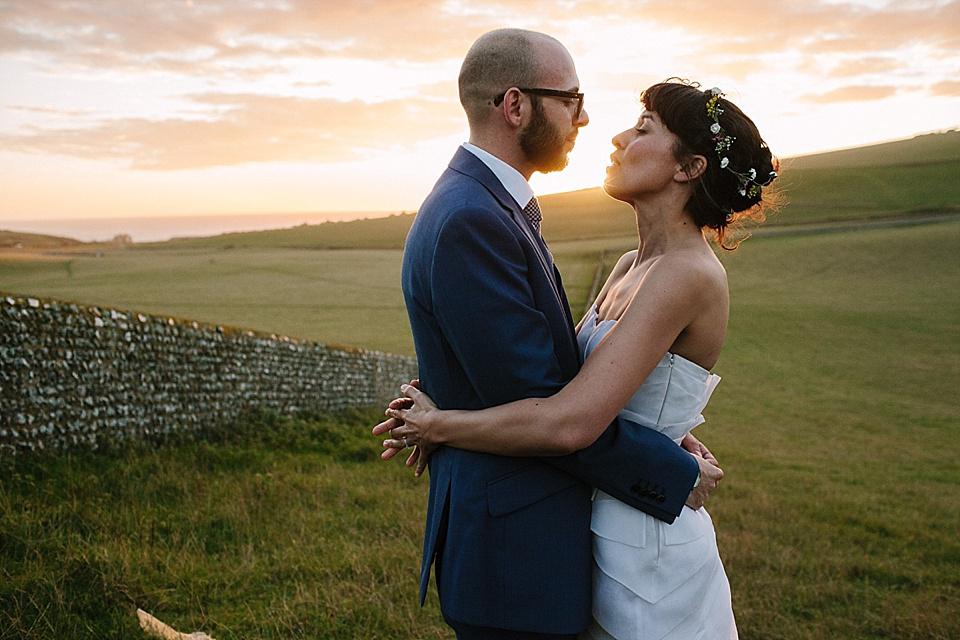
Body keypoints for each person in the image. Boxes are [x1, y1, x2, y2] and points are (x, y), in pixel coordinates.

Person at [378, 79, 778, 639]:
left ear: (689, 167)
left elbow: (571, 420)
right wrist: (447, 388)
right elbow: (559, 378)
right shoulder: (627, 265)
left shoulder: (686, 274)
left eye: (643, 131)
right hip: (591, 525)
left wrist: (438, 425)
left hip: (647, 554)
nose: (616, 138)